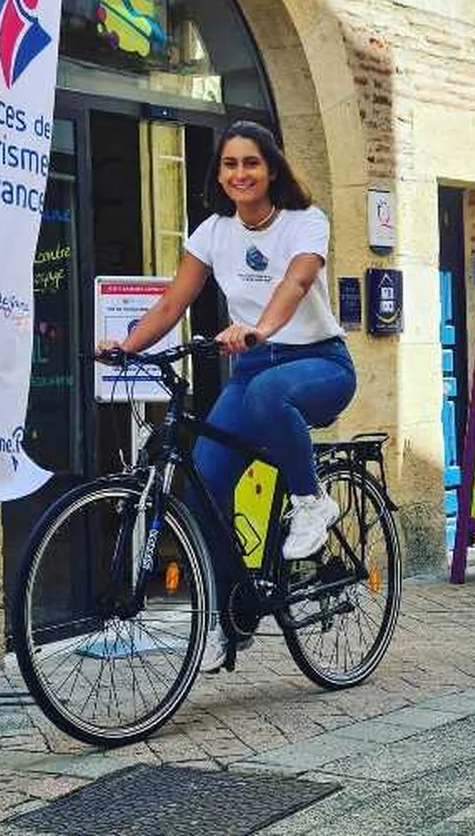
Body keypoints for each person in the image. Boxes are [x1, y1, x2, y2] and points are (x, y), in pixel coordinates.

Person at [96, 120, 356, 671]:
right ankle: (222, 620)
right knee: (202, 490)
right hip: (253, 371)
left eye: (251, 163)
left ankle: (313, 503)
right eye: (230, 165)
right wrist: (127, 345)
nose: (241, 174)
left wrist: (260, 327)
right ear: (219, 174)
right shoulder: (213, 232)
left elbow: (298, 281)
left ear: (272, 169)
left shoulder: (305, 223)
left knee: (265, 392)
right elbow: (172, 304)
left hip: (319, 363)